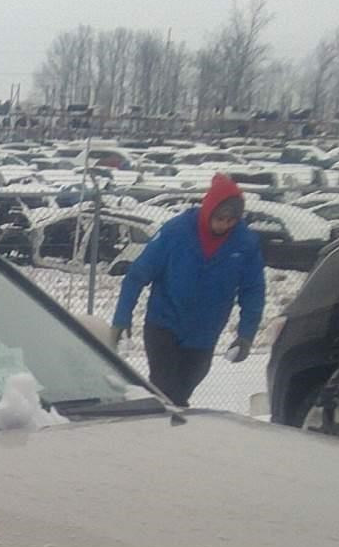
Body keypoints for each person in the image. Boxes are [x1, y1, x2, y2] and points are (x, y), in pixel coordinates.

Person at [110, 171, 266, 407]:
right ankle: (162, 434)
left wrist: (246, 335)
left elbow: (253, 291)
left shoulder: (244, 243)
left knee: (182, 391)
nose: (224, 225)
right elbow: (137, 275)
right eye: (220, 218)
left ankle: (166, 431)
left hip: (204, 334)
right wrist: (122, 317)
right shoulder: (176, 232)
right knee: (166, 392)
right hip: (165, 324)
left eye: (231, 220)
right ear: (209, 210)